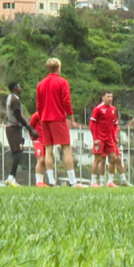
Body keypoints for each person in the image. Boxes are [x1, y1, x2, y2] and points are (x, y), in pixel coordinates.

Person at [36, 58, 80, 187]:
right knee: (66, 148)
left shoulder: (41, 84)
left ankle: (51, 181)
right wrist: (71, 119)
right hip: (58, 118)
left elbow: (39, 104)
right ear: (58, 68)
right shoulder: (62, 82)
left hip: (44, 119)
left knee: (48, 149)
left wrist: (41, 116)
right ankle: (72, 181)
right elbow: (66, 101)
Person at [3, 82, 35, 187]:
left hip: (12, 128)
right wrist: (30, 128)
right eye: (19, 86)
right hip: (14, 128)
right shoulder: (15, 100)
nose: (20, 88)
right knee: (18, 152)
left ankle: (12, 177)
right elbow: (19, 117)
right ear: (15, 88)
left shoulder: (10, 98)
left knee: (16, 152)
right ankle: (11, 176)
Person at [89, 91, 120, 188]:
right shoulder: (98, 109)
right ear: (103, 98)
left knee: (114, 158)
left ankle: (110, 181)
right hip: (100, 139)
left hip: (109, 139)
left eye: (111, 96)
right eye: (108, 96)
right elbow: (92, 124)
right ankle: (93, 181)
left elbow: (115, 125)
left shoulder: (113, 109)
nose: (110, 98)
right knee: (97, 159)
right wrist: (95, 138)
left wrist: (114, 136)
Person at [29, 111, 48, 187]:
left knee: (44, 162)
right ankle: (38, 181)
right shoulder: (36, 115)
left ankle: (41, 181)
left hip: (46, 141)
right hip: (38, 140)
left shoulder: (48, 115)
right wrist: (32, 137)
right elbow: (30, 126)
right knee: (40, 160)